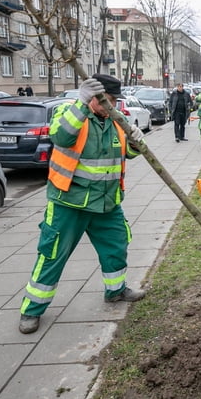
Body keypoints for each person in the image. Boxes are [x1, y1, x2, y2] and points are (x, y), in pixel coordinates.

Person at [18, 73, 148, 334]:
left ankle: (116, 291)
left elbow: (129, 154)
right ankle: (32, 309)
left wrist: (136, 139)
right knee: (52, 255)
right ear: (95, 98)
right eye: (107, 101)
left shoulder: (114, 121)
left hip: (107, 203)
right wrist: (81, 102)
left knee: (116, 246)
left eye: (114, 101)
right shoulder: (70, 112)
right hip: (69, 202)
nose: (111, 106)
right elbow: (61, 137)